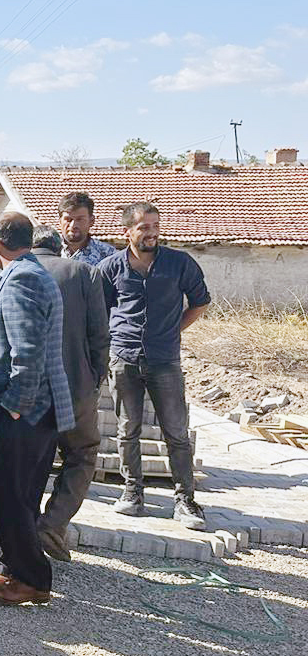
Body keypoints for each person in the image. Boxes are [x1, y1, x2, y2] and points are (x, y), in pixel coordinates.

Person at [0, 212, 75, 606]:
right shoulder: (27, 272)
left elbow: (27, 351)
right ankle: (11, 567)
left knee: (9, 493)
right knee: (18, 492)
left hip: (29, 412)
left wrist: (17, 407)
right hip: (38, 410)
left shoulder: (22, 278)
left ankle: (31, 579)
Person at [98, 202, 210, 528]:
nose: (152, 233)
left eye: (155, 226)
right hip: (124, 359)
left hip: (165, 361)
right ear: (127, 231)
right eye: (144, 227)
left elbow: (200, 301)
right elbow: (99, 311)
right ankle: (132, 493)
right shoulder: (110, 268)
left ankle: (185, 501)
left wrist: (174, 330)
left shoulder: (179, 264)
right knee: (127, 429)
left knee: (175, 432)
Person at [27, 224, 110, 561]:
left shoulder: (13, 272)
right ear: (58, 246)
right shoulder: (84, 273)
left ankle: (24, 529)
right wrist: (94, 379)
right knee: (82, 453)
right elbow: (99, 335)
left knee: (29, 460)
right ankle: (52, 523)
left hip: (27, 391)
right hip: (75, 387)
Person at [58, 191, 115, 265]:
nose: (73, 225)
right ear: (60, 222)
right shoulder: (47, 252)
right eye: (68, 219)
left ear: (91, 221)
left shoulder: (108, 255)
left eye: (79, 219)